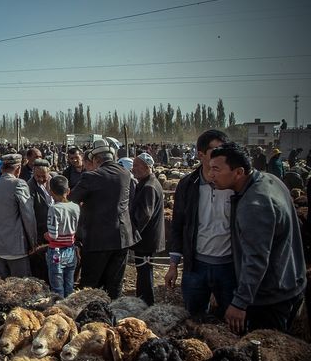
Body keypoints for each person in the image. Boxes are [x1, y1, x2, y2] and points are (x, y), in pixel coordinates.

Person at [209, 142, 306, 333]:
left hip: (270, 297)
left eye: (216, 169)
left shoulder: (253, 204)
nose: (211, 174)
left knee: (265, 355)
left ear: (238, 172)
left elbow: (256, 258)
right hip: (290, 281)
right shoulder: (271, 180)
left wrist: (240, 303)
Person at [164, 130, 236, 320]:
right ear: (200, 154)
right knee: (194, 319)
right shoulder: (188, 185)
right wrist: (173, 265)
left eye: (224, 150)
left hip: (229, 266)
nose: (221, 155)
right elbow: (179, 224)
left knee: (231, 321)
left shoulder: (234, 185)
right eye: (215, 150)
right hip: (196, 266)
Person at [69, 139, 138, 299]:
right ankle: (112, 317)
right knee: (114, 284)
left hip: (98, 240)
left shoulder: (91, 177)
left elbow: (72, 198)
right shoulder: (125, 174)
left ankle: (92, 318)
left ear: (96, 160)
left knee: (90, 285)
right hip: (121, 238)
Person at [0, 153, 37, 278]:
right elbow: (28, 215)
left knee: (2, 287)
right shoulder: (19, 184)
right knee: (20, 288)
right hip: (16, 247)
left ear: (2, 168)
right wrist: (33, 242)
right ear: (18, 169)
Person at [130, 152, 165, 306]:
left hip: (146, 238)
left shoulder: (149, 187)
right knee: (144, 271)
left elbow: (145, 214)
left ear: (146, 167)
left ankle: (146, 302)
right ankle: (143, 299)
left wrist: (134, 233)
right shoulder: (147, 183)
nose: (133, 169)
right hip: (147, 237)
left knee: (144, 272)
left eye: (136, 165)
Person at [44, 175, 80, 298]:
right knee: (69, 285)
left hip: (56, 252)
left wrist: (46, 236)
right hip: (71, 249)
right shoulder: (75, 207)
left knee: (57, 288)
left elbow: (53, 235)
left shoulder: (54, 209)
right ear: (68, 190)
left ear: (51, 192)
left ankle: (59, 310)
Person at [27, 159, 54, 245]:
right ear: (33, 173)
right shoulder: (30, 187)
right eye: (38, 176)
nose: (41, 179)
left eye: (44, 176)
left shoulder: (56, 181)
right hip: (41, 232)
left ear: (49, 172)